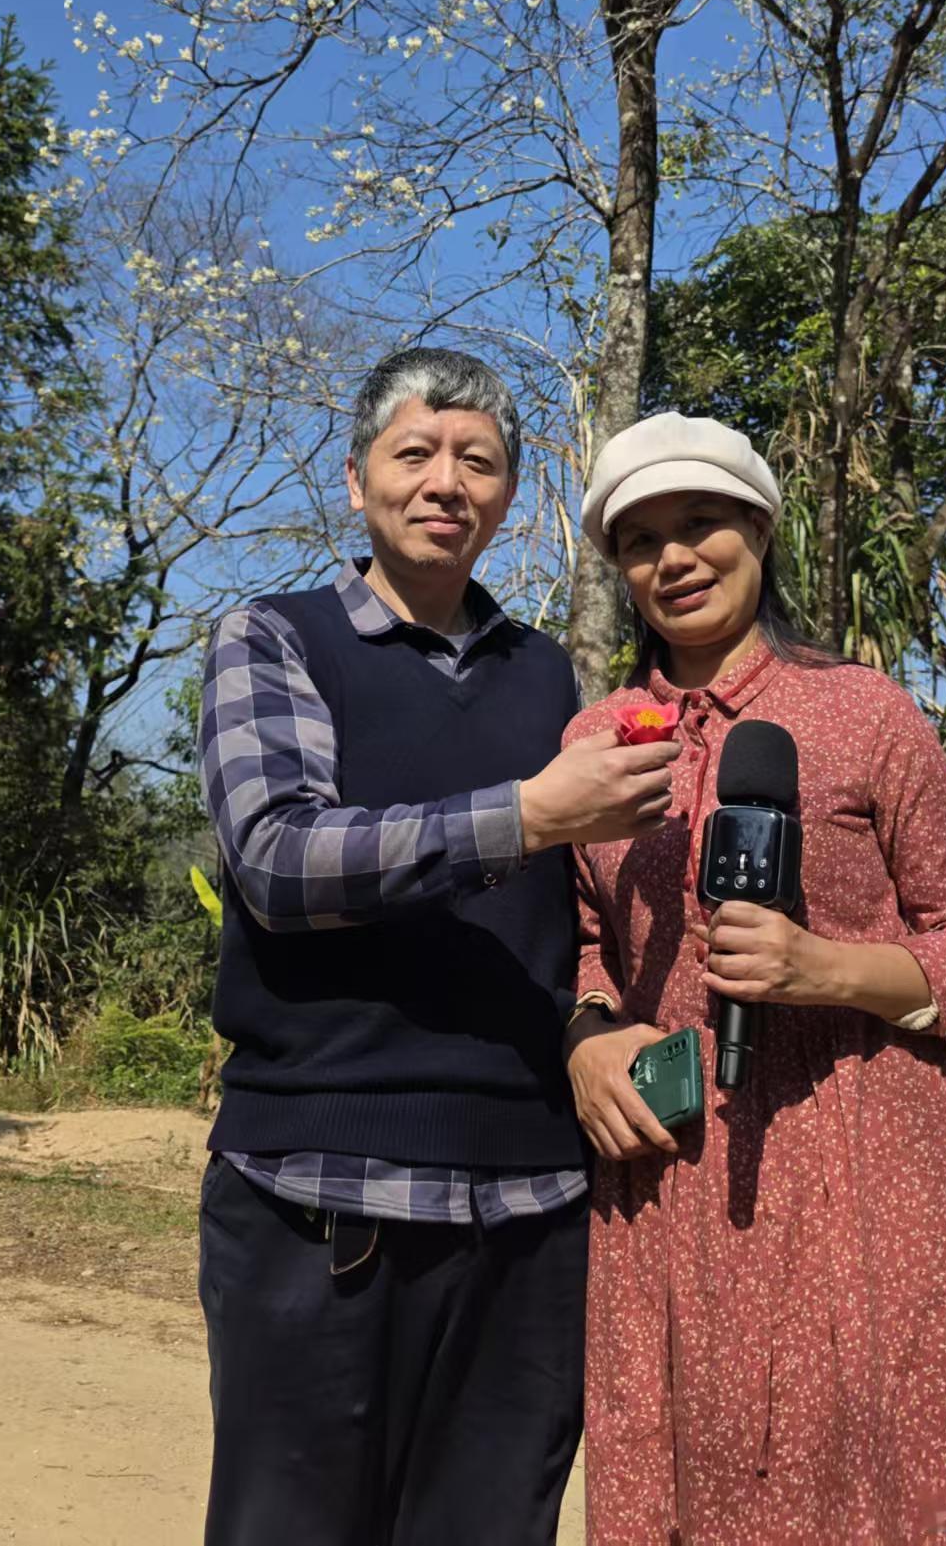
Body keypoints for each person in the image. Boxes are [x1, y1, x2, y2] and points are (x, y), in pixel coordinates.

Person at [563, 411, 946, 1546]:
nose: (673, 557)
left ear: (759, 530)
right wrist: (589, 1030)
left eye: (700, 523)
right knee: (703, 1473)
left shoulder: (863, 711)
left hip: (869, 1165)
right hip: (677, 1183)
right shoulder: (596, 738)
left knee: (887, 1464)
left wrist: (825, 965)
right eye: (640, 539)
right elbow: (586, 939)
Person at [196, 348, 681, 1546]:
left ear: (509, 497)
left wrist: (592, 1018)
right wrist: (532, 809)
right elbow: (276, 858)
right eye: (414, 452)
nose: (445, 481)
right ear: (357, 478)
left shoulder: (546, 676)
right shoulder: (274, 639)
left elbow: (579, 914)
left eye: (479, 460)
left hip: (529, 1200)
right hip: (319, 1183)